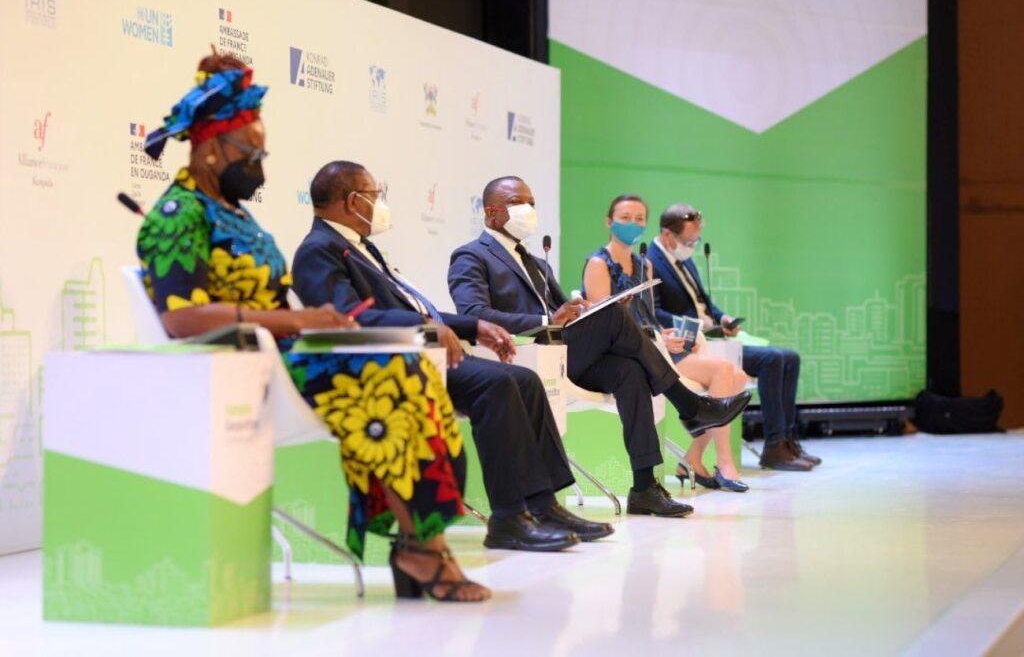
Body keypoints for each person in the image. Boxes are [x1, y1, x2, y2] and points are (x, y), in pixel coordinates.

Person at [135, 51, 489, 602]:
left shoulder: (233, 213)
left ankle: (422, 544)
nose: (259, 164)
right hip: (247, 369)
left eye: (262, 152)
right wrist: (296, 317)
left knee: (419, 377)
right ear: (209, 150)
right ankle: (420, 551)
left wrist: (308, 324)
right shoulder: (178, 215)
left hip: (292, 355)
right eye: (250, 152)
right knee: (393, 381)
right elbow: (181, 318)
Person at [291, 160, 614, 553]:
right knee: (496, 385)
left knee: (524, 380)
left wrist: (471, 327)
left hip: (421, 354)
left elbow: (412, 307)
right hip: (386, 367)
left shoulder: (361, 246)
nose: (380, 204)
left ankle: (543, 506)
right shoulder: (318, 250)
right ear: (353, 200)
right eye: (376, 196)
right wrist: (429, 329)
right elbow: (348, 317)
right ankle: (509, 518)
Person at [448, 176, 751, 517]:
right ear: (491, 213)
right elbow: (473, 314)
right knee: (614, 317)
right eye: (519, 204)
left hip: (563, 354)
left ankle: (644, 487)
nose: (529, 211)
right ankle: (690, 405)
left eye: (532, 203)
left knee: (629, 370)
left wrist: (581, 311)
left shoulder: (534, 260)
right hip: (526, 354)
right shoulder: (471, 256)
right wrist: (550, 319)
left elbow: (566, 309)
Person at [581, 195, 753, 492]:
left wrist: (665, 334)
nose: (633, 224)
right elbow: (604, 326)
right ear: (609, 222)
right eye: (625, 218)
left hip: (653, 348)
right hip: (620, 354)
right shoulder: (598, 264)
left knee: (737, 377)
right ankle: (722, 461)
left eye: (639, 218)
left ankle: (693, 457)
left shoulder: (644, 265)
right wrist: (657, 338)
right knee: (725, 373)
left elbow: (647, 317)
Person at [650, 203, 821, 471]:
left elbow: (703, 303)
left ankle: (788, 441)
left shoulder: (685, 260)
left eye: (697, 239)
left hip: (714, 335)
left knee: (790, 357)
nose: (693, 245)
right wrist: (696, 324)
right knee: (771, 360)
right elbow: (654, 311)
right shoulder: (651, 261)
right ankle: (774, 445)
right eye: (689, 240)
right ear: (669, 235)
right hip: (692, 343)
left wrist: (723, 319)